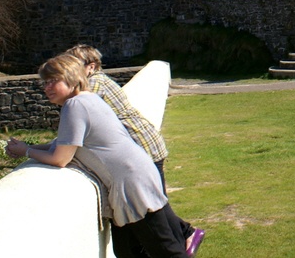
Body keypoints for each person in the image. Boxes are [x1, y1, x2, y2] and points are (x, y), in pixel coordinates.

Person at [6, 54, 197, 257]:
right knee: (127, 251)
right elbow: (63, 144)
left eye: (54, 81)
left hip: (131, 183)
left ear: (72, 78)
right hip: (136, 174)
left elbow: (60, 158)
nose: (47, 88)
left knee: (165, 251)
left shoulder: (75, 106)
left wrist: (25, 151)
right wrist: (32, 146)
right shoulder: (89, 99)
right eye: (45, 83)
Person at [65, 44, 203, 253]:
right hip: (143, 145)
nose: (68, 72)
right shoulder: (98, 82)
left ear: (90, 67)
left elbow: (78, 119)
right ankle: (186, 233)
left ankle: (185, 234)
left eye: (73, 66)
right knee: (155, 207)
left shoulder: (92, 86)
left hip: (142, 146)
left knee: (154, 212)